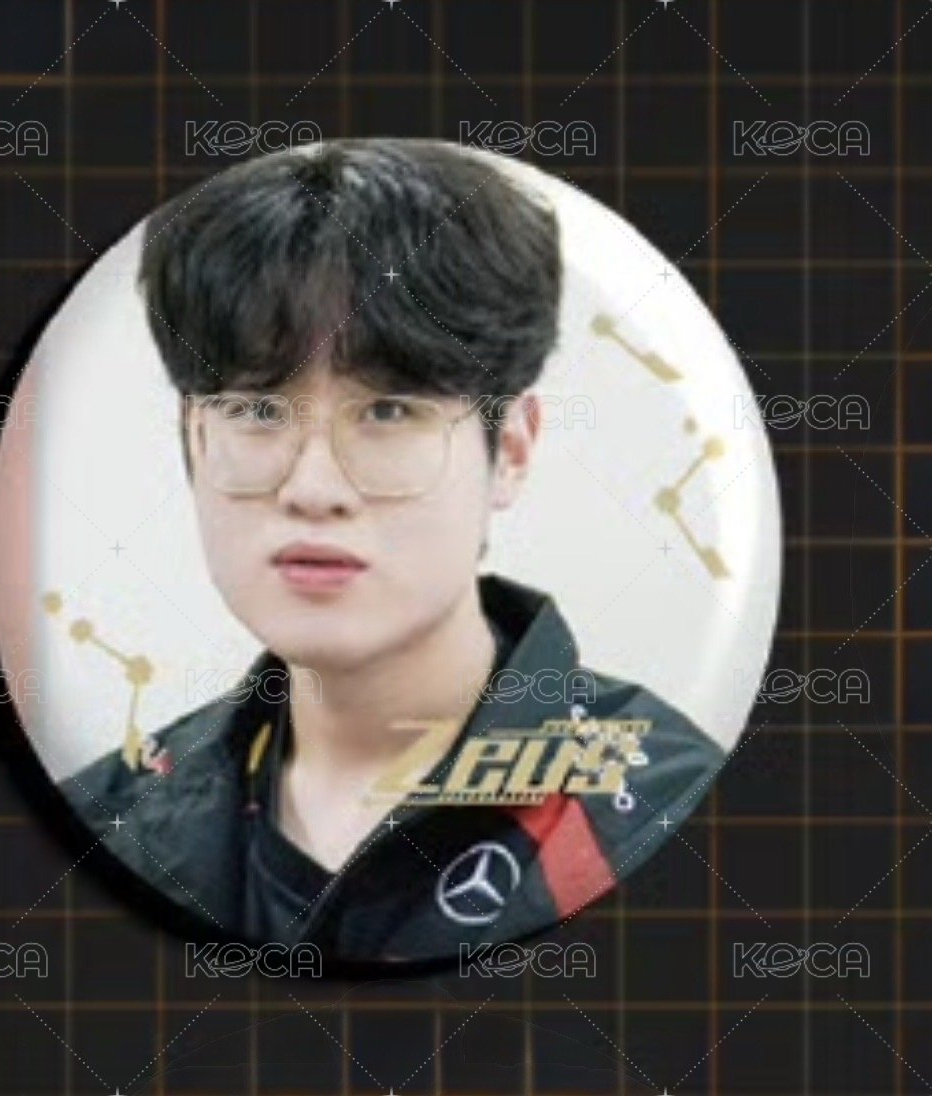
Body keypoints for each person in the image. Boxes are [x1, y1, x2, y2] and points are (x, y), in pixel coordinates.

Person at [59, 137, 725, 963]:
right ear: (192, 438)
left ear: (512, 449)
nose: (313, 487)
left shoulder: (668, 808)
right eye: (258, 411)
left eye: (388, 411)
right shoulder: (105, 820)